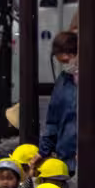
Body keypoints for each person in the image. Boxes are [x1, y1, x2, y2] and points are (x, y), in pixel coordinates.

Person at [36, 30, 79, 170]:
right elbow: (53, 120)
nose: (67, 64)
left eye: (68, 60)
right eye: (62, 62)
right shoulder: (63, 80)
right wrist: (43, 151)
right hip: (66, 156)